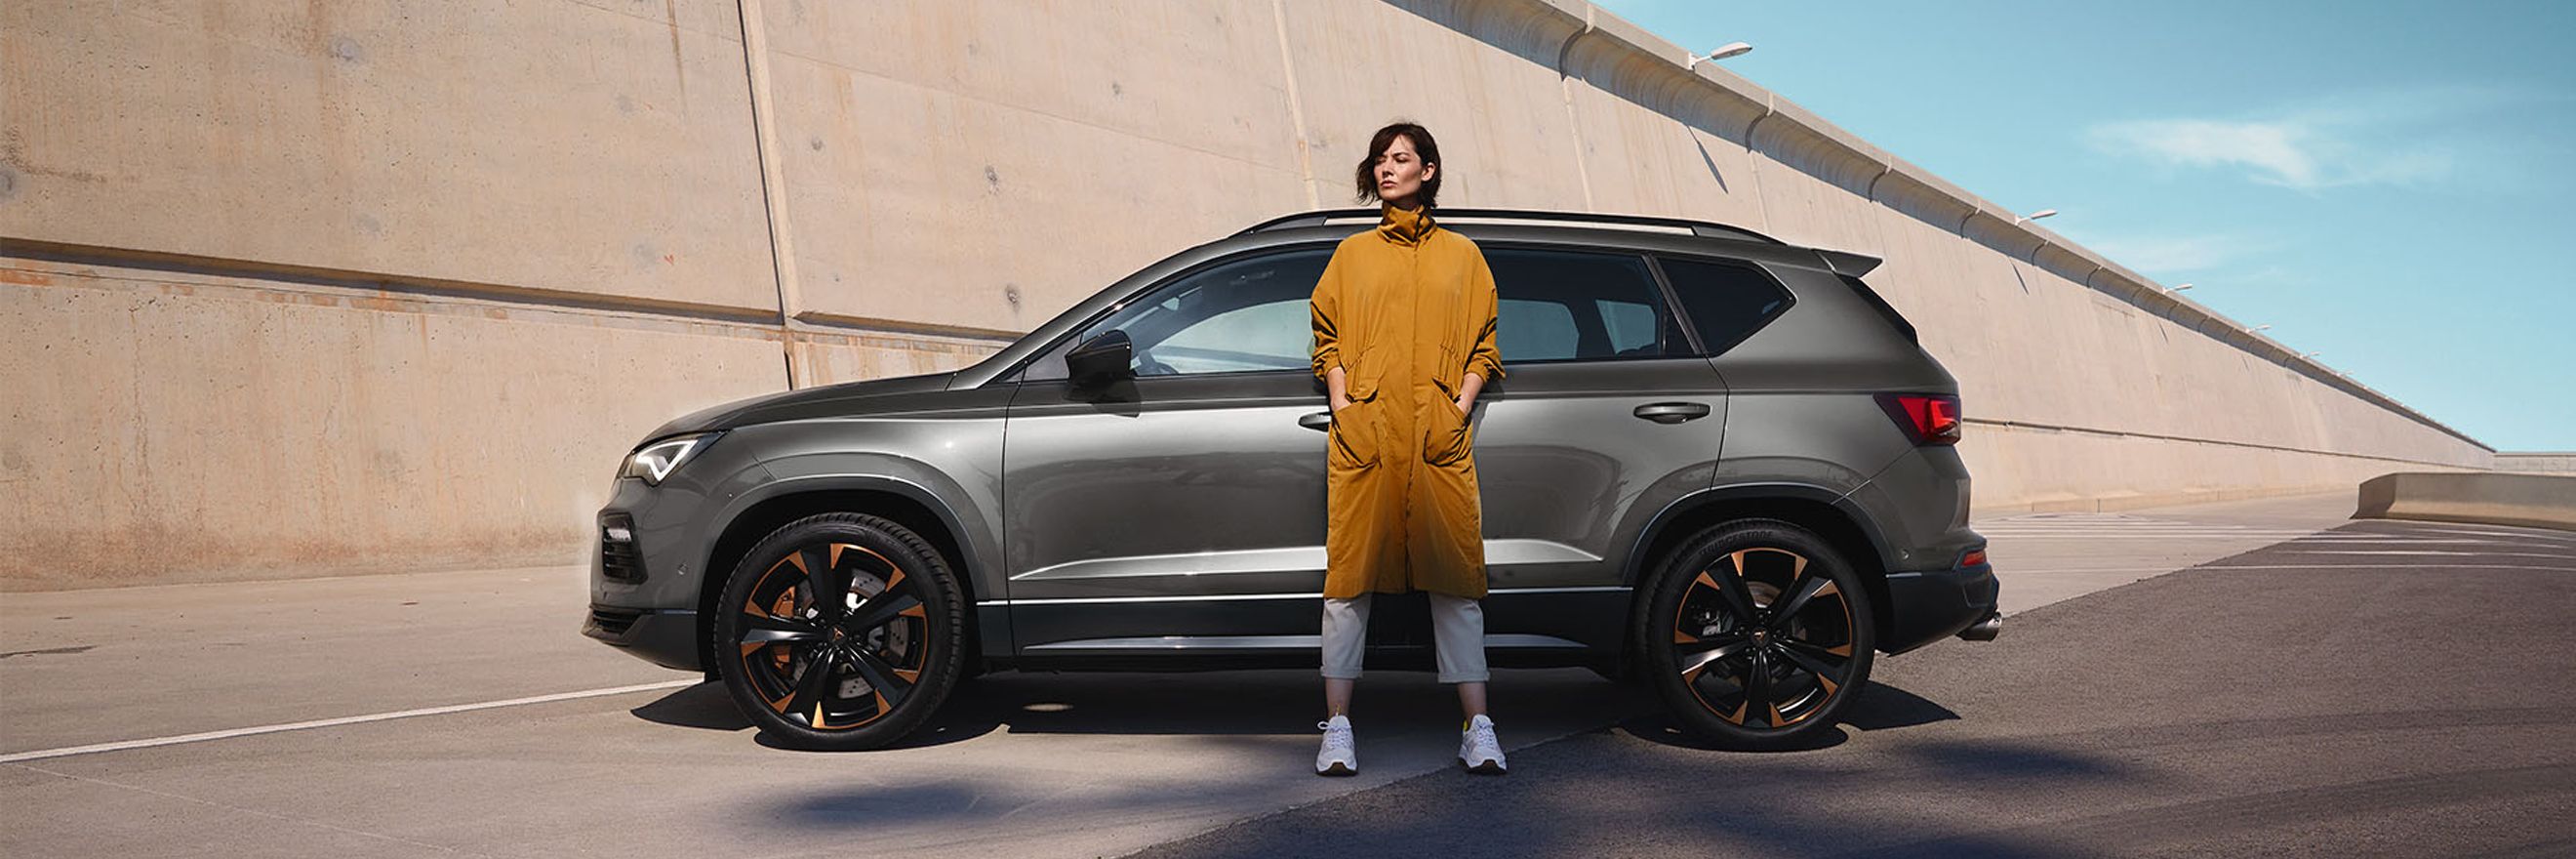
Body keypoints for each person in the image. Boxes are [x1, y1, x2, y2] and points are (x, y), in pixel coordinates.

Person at [1307, 122, 1507, 777]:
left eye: (1400, 159)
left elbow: (1485, 343)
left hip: (1436, 437)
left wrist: (1460, 406)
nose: (1387, 169)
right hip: (1367, 436)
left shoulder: (1463, 257)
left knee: (1456, 583)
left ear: (1428, 168)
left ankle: (1478, 725)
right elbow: (1327, 334)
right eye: (1380, 160)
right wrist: (1342, 403)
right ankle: (1337, 726)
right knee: (1349, 581)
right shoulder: (1352, 255)